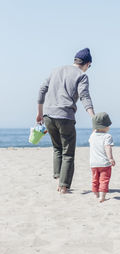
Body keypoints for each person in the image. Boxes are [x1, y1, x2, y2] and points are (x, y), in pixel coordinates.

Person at [36, 48, 95, 194]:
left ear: (75, 60)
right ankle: (63, 186)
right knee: (68, 152)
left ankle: (58, 178)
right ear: (87, 64)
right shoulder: (81, 76)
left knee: (57, 148)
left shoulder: (56, 70)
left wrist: (39, 113)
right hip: (65, 116)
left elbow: (42, 90)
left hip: (48, 116)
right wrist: (93, 116)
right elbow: (84, 97)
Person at [89, 112, 115, 202]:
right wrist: (111, 158)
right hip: (104, 164)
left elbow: (94, 131)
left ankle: (96, 194)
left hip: (93, 163)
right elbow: (108, 148)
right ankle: (102, 197)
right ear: (105, 126)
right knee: (104, 180)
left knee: (95, 179)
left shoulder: (92, 136)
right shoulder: (107, 136)